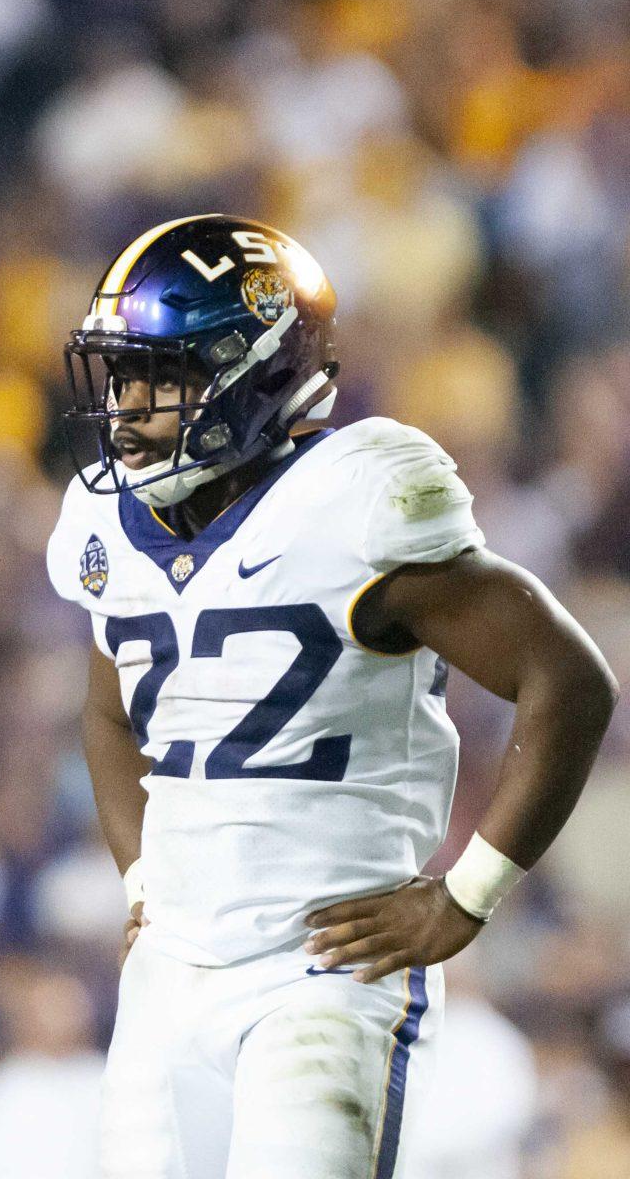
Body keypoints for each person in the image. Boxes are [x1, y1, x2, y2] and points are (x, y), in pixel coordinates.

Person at [46, 214, 618, 1179]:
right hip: (169, 977)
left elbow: (568, 680)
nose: (129, 406)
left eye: (162, 375)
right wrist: (144, 879)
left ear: (254, 371)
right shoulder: (107, 518)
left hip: (322, 974)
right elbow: (111, 711)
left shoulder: (354, 499)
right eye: (120, 374)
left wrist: (469, 896)